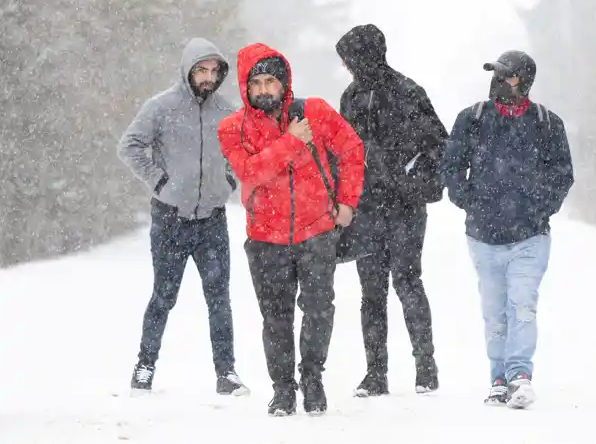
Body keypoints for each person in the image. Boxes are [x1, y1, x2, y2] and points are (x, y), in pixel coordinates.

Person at [217, 43, 365, 417]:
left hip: (316, 231)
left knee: (318, 310)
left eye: (272, 81)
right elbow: (251, 172)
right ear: (245, 87)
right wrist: (291, 141)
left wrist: (347, 202)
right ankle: (283, 389)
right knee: (276, 318)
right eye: (258, 83)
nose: (265, 89)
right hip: (265, 238)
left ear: (285, 84)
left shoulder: (312, 111)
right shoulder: (230, 129)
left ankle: (312, 378)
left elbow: (351, 148)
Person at [441, 50, 574, 409]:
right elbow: (451, 168)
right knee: (494, 310)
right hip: (483, 237)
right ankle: (497, 378)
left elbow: (563, 174)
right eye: (497, 75)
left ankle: (520, 374)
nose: (500, 82)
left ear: (525, 81)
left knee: (523, 305)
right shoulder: (471, 119)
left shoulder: (547, 123)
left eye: (508, 76)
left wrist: (538, 209)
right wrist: (471, 201)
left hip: (531, 237)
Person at [117, 37, 248, 397]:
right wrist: (160, 182)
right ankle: (144, 367)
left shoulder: (227, 112)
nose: (207, 77)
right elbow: (129, 146)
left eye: (213, 71)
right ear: (188, 70)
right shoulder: (161, 107)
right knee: (163, 296)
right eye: (201, 70)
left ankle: (227, 373)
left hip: (212, 220)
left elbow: (242, 152)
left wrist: (228, 182)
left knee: (219, 297)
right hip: (170, 220)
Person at [335, 24, 448, 397]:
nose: (348, 66)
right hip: (365, 207)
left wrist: (408, 177)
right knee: (371, 292)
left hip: (405, 207)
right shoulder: (350, 96)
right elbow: (342, 153)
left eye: (349, 58)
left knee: (407, 281)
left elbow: (438, 144)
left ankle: (425, 366)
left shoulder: (407, 91)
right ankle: (376, 373)